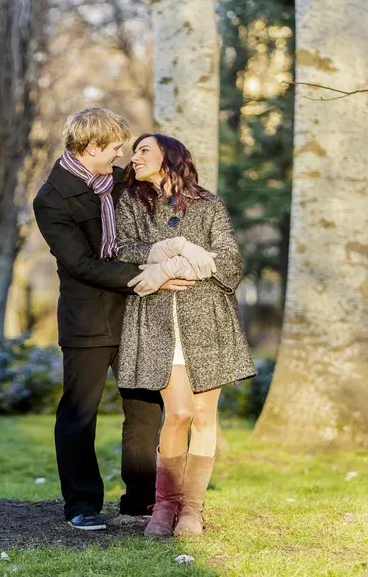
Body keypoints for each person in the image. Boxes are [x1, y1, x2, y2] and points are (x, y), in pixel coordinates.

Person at [32, 108, 195, 530]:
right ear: (90, 148)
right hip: (87, 316)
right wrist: (150, 278)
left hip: (137, 313)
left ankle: (141, 499)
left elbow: (166, 202)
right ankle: (82, 505)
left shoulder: (123, 183)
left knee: (144, 409)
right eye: (115, 147)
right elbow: (80, 263)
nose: (121, 153)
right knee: (79, 412)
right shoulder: (51, 198)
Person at [116, 133, 257, 537]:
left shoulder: (209, 204)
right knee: (176, 413)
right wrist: (166, 262)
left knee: (203, 415)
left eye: (144, 149)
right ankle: (164, 507)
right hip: (158, 322)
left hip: (208, 320)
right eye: (133, 151)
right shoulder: (131, 202)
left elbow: (229, 262)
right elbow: (123, 249)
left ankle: (192, 510)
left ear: (169, 157)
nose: (134, 156)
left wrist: (179, 266)